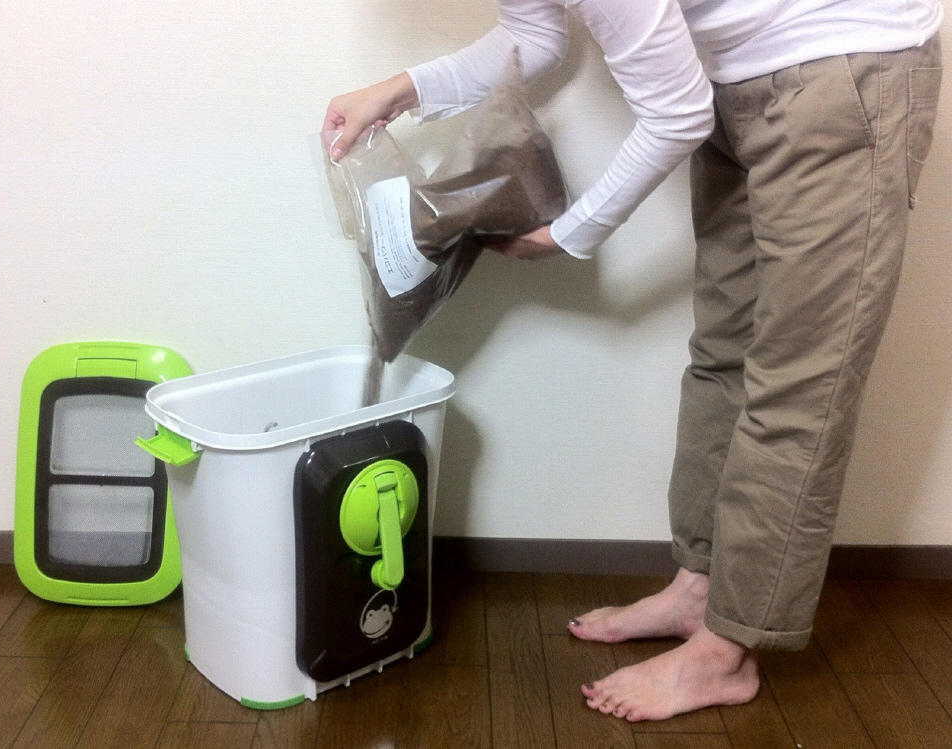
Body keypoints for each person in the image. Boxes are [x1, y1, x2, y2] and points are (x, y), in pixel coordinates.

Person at [323, 0, 945, 722]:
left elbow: (675, 115)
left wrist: (569, 234)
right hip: (736, 87)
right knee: (723, 356)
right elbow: (535, 34)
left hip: (846, 77)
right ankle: (700, 589)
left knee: (798, 389)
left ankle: (726, 654)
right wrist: (398, 91)